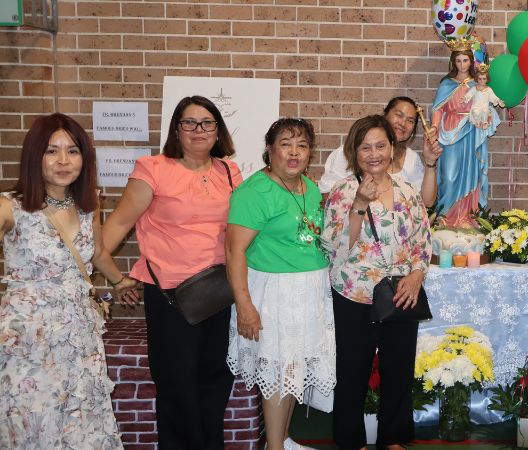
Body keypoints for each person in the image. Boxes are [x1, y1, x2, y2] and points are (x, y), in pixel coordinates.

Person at [102, 96, 242, 449]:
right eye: (189, 122)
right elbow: (117, 224)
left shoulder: (229, 171)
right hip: (171, 296)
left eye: (207, 122)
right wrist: (110, 274)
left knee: (215, 379)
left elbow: (243, 229)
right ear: (176, 130)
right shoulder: (153, 168)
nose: (199, 130)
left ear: (218, 130)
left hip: (219, 292)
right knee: (177, 385)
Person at [0, 113, 133, 448]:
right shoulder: (10, 206)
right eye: (51, 151)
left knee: (80, 420)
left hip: (79, 334)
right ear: (35, 156)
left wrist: (120, 282)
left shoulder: (88, 205)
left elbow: (97, 252)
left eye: (72, 151)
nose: (63, 160)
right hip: (30, 336)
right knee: (32, 419)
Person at [320, 115, 431, 450]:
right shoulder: (342, 191)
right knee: (352, 372)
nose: (374, 154)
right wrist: (359, 204)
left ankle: (393, 439)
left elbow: (422, 240)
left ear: (392, 148)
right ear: (354, 152)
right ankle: (350, 441)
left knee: (399, 370)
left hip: (400, 293)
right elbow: (334, 247)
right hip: (354, 294)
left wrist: (416, 275)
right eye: (365, 147)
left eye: (380, 146)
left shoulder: (407, 191)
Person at [226, 118, 336, 450]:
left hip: (309, 292)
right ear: (269, 150)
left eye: (302, 145)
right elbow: (234, 251)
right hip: (274, 293)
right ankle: (273, 447)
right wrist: (245, 306)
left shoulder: (309, 187)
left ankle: (284, 440)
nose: (294, 152)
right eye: (286, 144)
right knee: (277, 372)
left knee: (294, 369)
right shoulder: (254, 192)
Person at [319, 96, 441, 207]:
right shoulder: (347, 153)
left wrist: (430, 162)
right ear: (385, 114)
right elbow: (328, 197)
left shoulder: (412, 159)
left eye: (410, 121)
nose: (403, 123)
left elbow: (426, 202)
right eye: (398, 115)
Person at [431, 39, 500, 222]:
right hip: (450, 134)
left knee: (471, 175)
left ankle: (468, 218)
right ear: (453, 62)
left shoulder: (477, 85)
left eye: (465, 60)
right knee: (449, 176)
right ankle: (446, 219)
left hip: (471, 132)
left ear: (471, 61)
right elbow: (438, 109)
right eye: (458, 60)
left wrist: (487, 116)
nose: (462, 65)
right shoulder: (446, 84)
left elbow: (485, 106)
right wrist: (434, 127)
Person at [465, 63, 504, 129]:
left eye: (484, 79)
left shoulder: (488, 89)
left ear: (487, 79)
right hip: (476, 106)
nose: (482, 81)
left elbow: (493, 97)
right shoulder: (474, 88)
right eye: (480, 79)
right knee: (475, 112)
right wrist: (464, 98)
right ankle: (477, 122)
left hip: (484, 106)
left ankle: (484, 122)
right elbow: (469, 94)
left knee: (485, 111)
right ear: (477, 79)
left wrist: (498, 101)